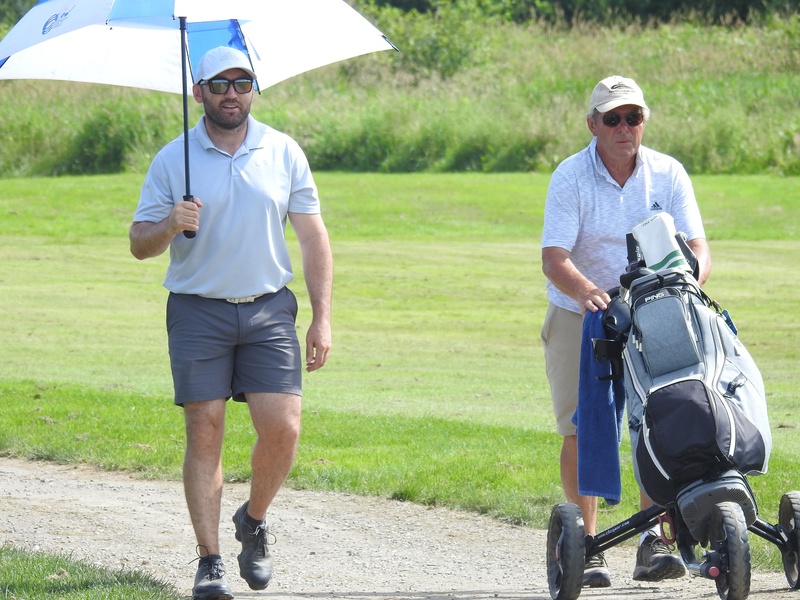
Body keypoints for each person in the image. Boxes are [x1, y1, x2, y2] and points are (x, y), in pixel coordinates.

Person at [130, 46, 333, 600]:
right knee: (205, 429)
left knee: (284, 427)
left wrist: (321, 317)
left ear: (253, 91)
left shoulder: (282, 150)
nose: (231, 94)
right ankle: (210, 559)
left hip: (269, 308)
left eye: (242, 83)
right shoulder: (173, 159)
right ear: (198, 92)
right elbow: (139, 244)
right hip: (197, 310)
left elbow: (313, 237)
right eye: (219, 84)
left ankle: (254, 519)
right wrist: (170, 224)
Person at [540, 75, 711, 588]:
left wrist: (689, 278)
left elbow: (698, 248)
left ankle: (652, 542)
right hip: (581, 312)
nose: (623, 127)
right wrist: (586, 291)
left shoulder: (668, 172)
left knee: (661, 418)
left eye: (632, 117)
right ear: (592, 124)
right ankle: (588, 546)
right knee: (580, 426)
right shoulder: (570, 175)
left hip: (653, 309)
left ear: (643, 122)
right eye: (612, 118)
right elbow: (554, 258)